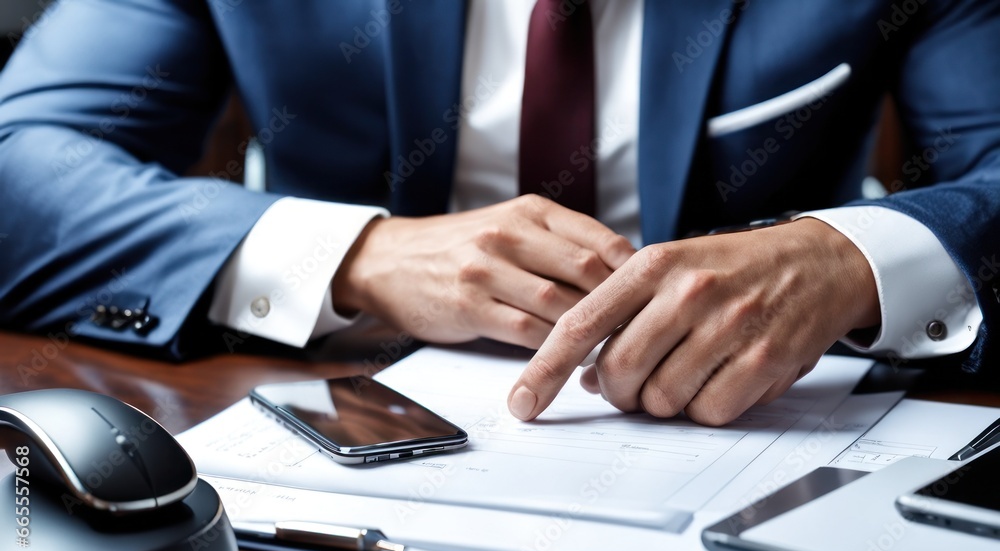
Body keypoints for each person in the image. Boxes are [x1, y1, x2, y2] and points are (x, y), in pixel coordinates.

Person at [0, 1, 997, 426]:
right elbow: (18, 168)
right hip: (347, 454)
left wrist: (852, 262)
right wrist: (359, 256)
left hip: (762, 440)